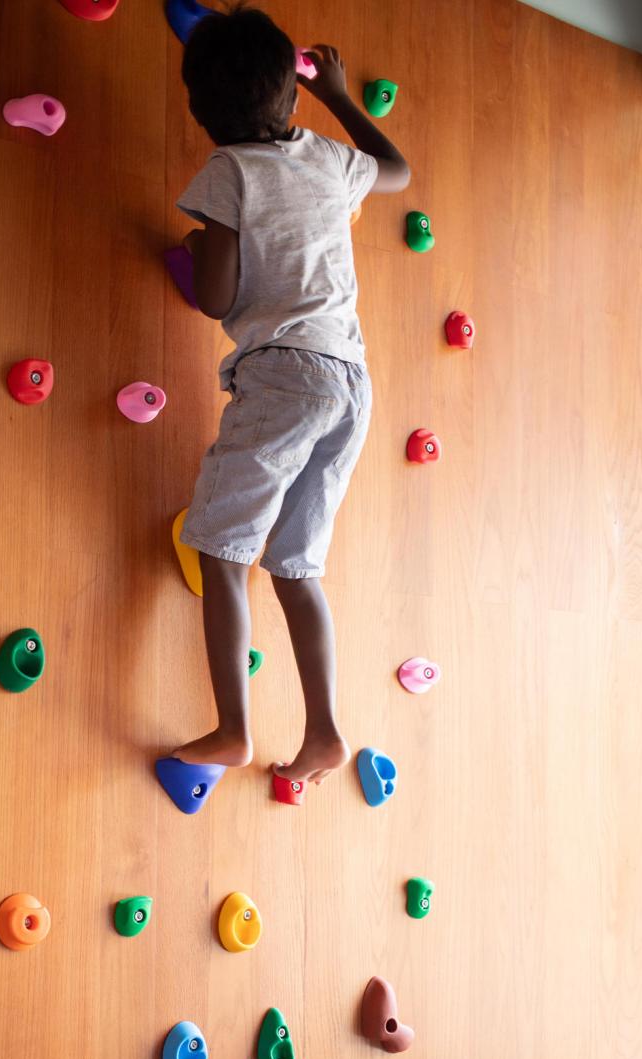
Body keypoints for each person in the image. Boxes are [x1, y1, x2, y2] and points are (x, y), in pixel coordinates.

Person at [170, 4, 410, 787]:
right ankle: (325, 733)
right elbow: (398, 171)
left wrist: (204, 241)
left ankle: (234, 728)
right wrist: (342, 97)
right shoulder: (328, 157)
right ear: (294, 95)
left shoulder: (227, 172)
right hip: (350, 381)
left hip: (284, 377)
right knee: (296, 567)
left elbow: (214, 297)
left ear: (204, 114)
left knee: (222, 552)